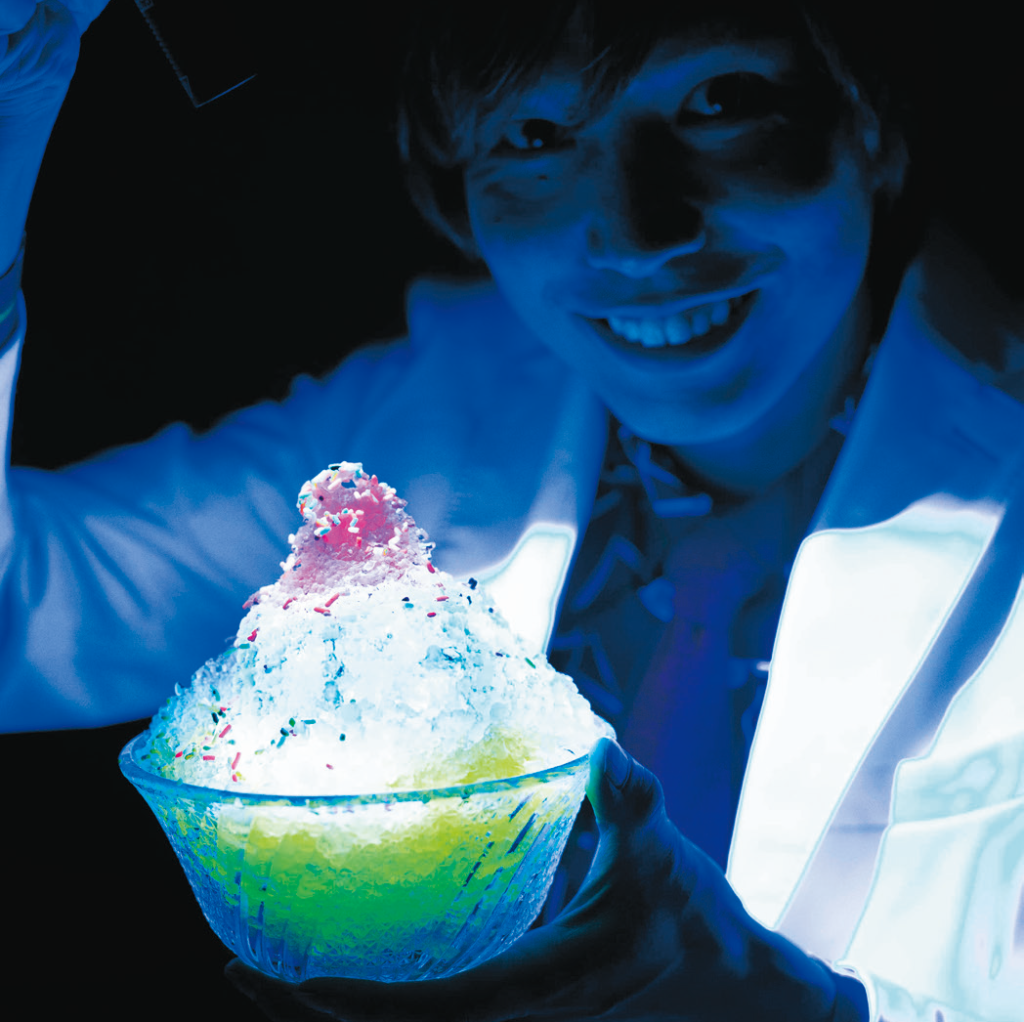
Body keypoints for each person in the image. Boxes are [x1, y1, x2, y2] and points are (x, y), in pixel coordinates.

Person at [1, 2, 1022, 1020]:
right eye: (534, 135)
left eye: (722, 102)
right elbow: (21, 618)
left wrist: (789, 1006)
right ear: (457, 184)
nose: (638, 235)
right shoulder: (438, 398)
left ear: (870, 124)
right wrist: (16, 88)